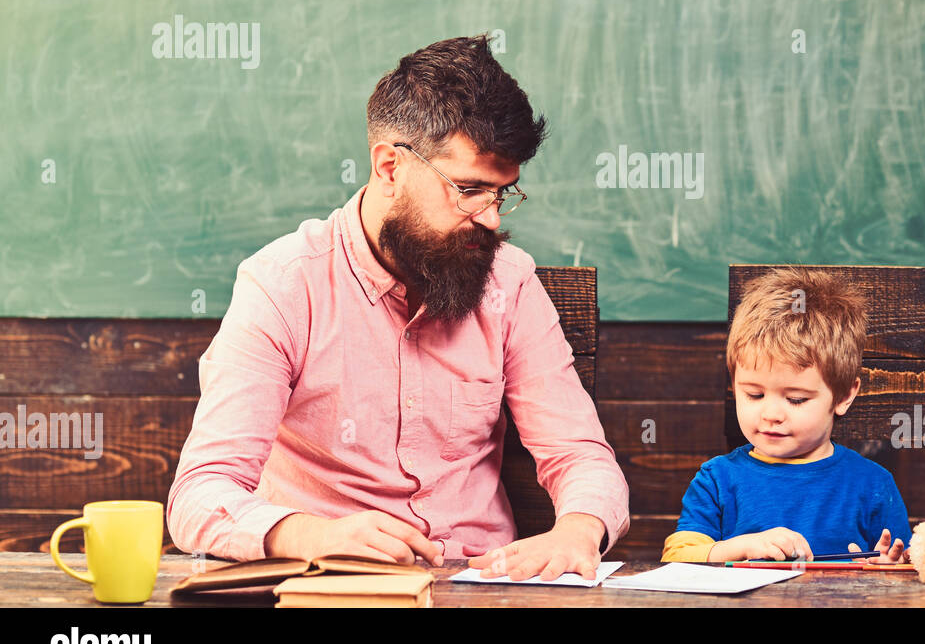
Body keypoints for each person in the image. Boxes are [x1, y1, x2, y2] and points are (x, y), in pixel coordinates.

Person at [167, 35, 628, 582]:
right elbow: (201, 491)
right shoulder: (282, 285)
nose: (491, 219)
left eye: (502, 194)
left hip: (480, 585)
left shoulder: (510, 282)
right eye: (470, 189)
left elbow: (579, 453)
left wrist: (578, 530)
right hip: (328, 585)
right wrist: (312, 535)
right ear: (389, 167)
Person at [661, 267, 911, 563]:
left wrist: (888, 567)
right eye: (754, 394)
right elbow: (677, 557)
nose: (770, 414)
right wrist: (744, 546)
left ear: (844, 396)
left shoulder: (872, 485)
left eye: (795, 399)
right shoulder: (717, 480)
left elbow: (904, 563)